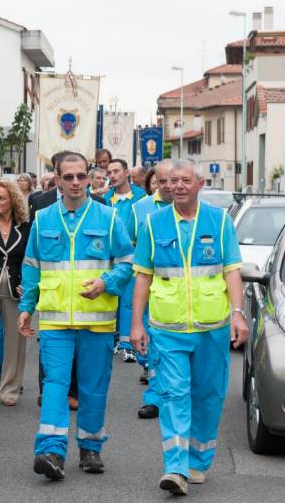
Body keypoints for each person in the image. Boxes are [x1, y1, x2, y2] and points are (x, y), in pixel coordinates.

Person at [130, 159, 248, 496]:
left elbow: (231, 271)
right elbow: (142, 276)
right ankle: (176, 467)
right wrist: (136, 324)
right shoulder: (153, 224)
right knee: (173, 394)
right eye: (171, 181)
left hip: (212, 327)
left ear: (199, 185)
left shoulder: (220, 220)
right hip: (167, 328)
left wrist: (237, 313)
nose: (177, 186)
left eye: (184, 180)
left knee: (209, 395)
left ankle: (198, 460)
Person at [19, 152, 134, 481]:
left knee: (93, 387)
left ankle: (90, 446)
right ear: (57, 179)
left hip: (97, 320)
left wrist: (106, 282)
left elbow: (127, 262)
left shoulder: (108, 218)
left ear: (88, 178)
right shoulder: (42, 219)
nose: (75, 182)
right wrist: (27, 308)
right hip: (55, 321)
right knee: (55, 385)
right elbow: (32, 268)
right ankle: (51, 450)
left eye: (81, 176)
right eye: (67, 177)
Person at [127, 159, 173, 420]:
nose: (167, 186)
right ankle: (155, 398)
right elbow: (134, 249)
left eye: (172, 180)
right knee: (154, 350)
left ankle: (176, 396)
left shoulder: (195, 209)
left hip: (184, 299)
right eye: (162, 180)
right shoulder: (140, 209)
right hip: (152, 293)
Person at [0, 179, 30, 407]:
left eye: (1, 197)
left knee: (15, 340)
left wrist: (28, 285)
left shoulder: (26, 226)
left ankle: (10, 388)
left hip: (15, 287)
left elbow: (31, 259)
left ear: (13, 200)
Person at [104, 158, 146, 364]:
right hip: (109, 256)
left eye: (116, 171)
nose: (112, 175)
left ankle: (128, 345)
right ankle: (112, 338)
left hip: (133, 255)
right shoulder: (105, 198)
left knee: (129, 300)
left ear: (127, 172)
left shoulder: (140, 197)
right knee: (111, 298)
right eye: (109, 172)